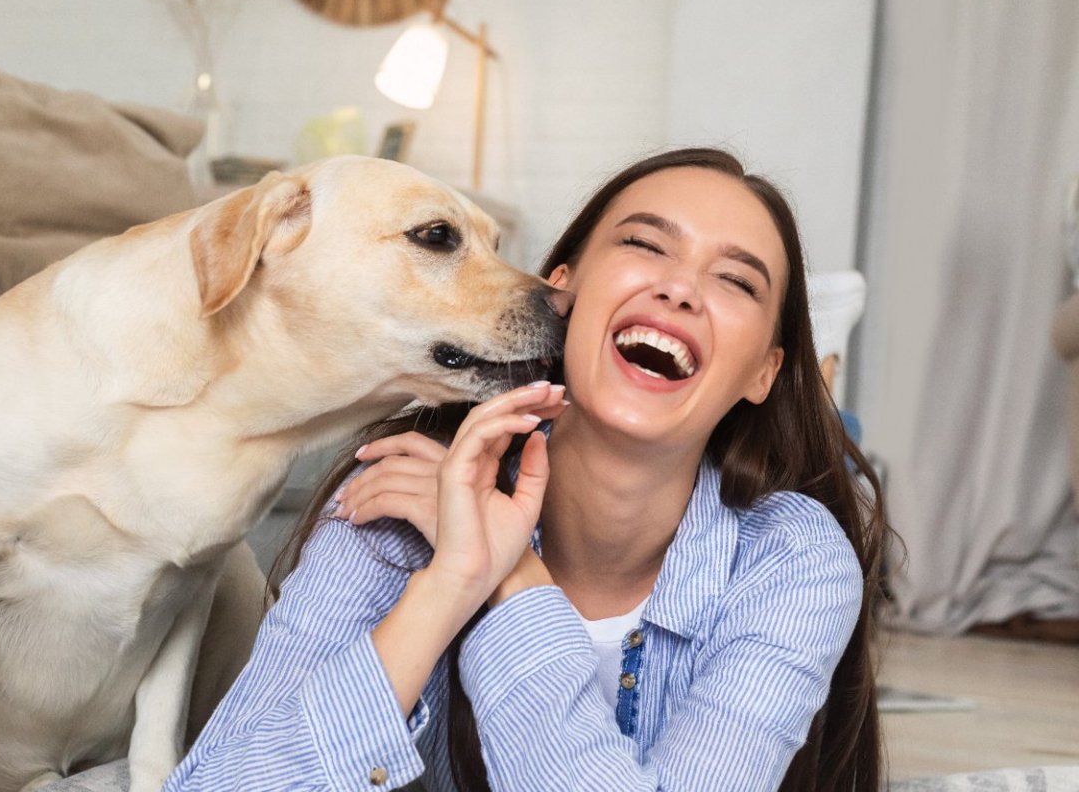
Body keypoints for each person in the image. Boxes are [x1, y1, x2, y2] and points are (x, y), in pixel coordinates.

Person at [163, 147, 890, 791]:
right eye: (645, 245)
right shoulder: (400, 497)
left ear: (763, 372)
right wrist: (447, 585)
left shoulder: (792, 559)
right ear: (562, 292)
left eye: (736, 281)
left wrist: (511, 578)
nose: (680, 289)